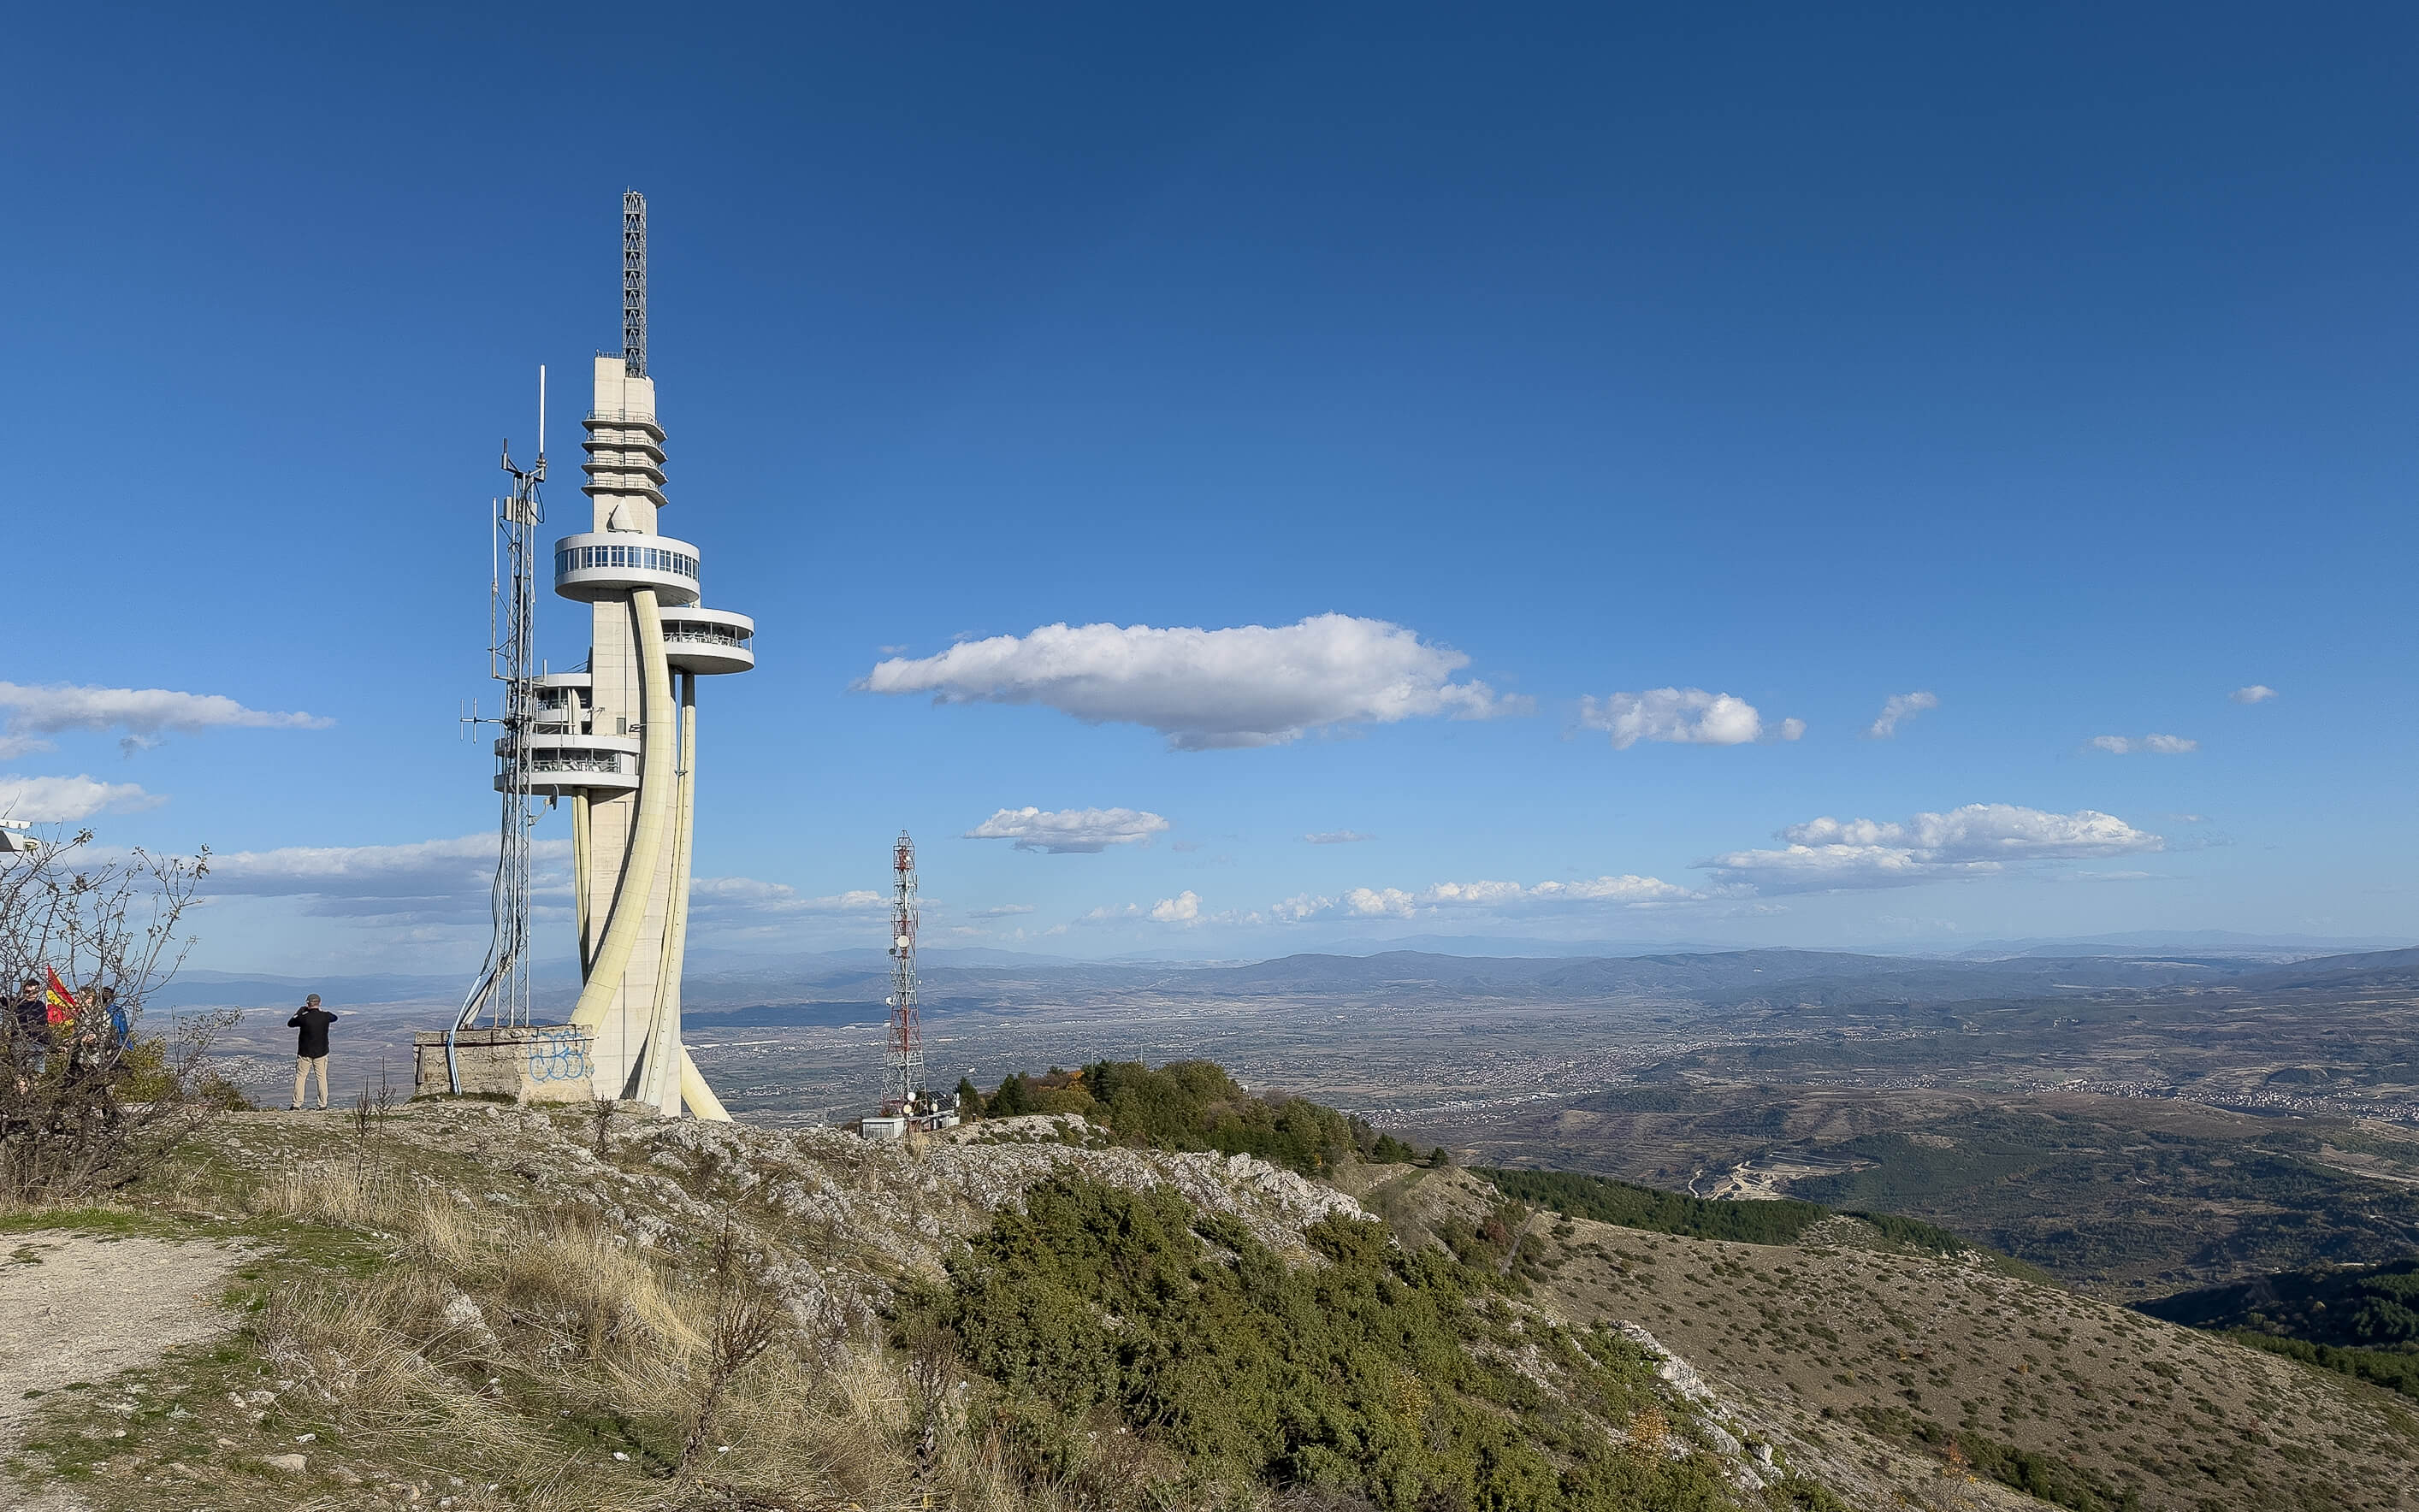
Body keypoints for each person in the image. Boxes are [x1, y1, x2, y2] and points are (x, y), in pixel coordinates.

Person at [287, 994, 338, 1111]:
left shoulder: (303, 1017)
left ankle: (296, 1104)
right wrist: (321, 1011)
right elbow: (335, 1018)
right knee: (321, 1077)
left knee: (300, 1077)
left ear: (307, 1004)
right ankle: (323, 1104)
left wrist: (299, 1012)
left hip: (305, 1052)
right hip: (321, 1052)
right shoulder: (325, 1016)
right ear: (319, 1003)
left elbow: (290, 1023)